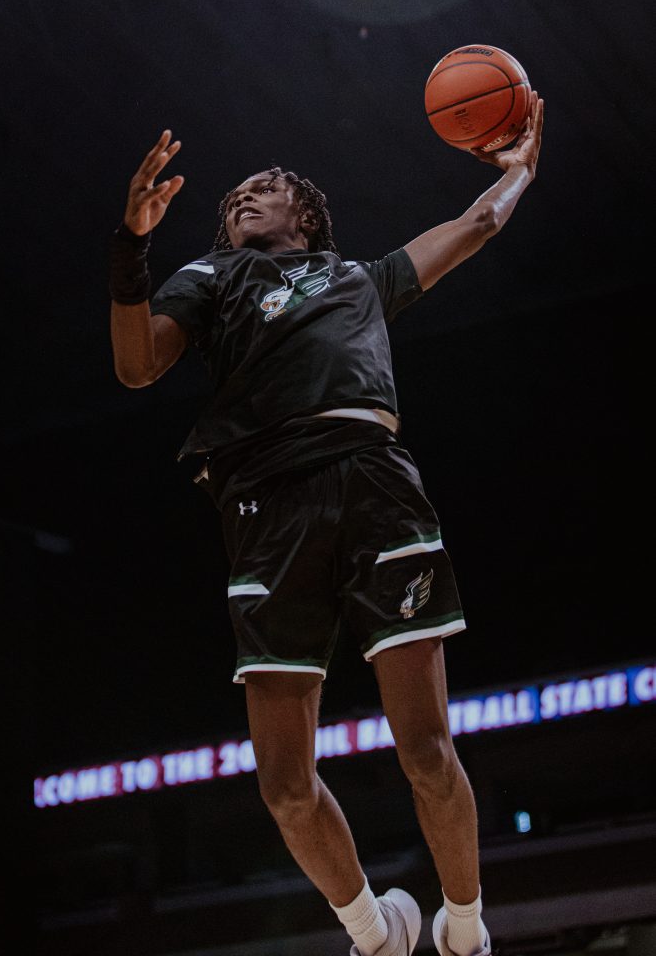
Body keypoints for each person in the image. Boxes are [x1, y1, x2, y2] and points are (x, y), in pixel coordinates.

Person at [108, 93, 544, 956]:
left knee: (426, 749)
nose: (242, 197)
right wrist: (131, 245)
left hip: (374, 485)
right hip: (267, 507)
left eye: (262, 188)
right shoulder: (211, 278)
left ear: (304, 216)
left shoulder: (360, 280)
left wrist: (521, 168)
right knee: (282, 784)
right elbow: (136, 366)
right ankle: (374, 935)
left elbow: (476, 224)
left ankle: (464, 931)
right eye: (234, 196)